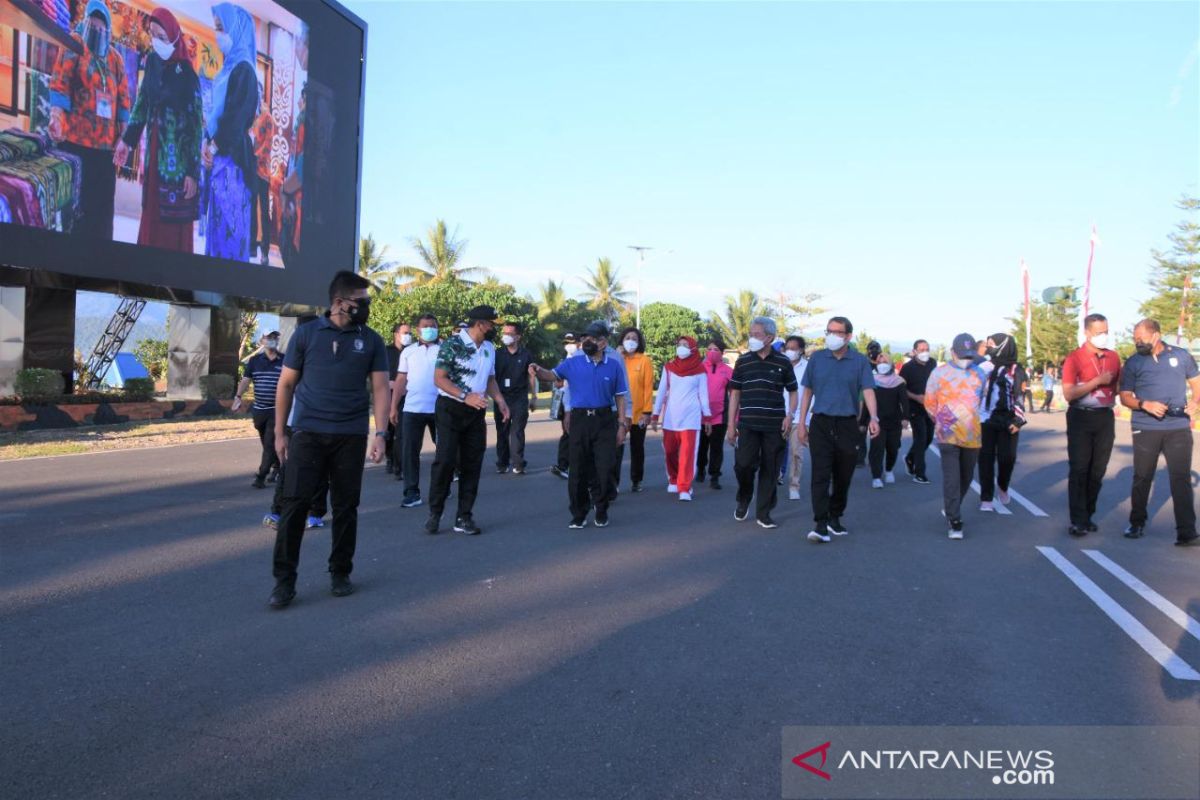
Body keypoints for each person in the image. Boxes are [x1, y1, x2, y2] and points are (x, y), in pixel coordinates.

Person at [268, 271, 390, 608]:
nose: (366, 307)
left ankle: (340, 572)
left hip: (350, 435)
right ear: (340, 303)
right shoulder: (306, 335)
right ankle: (284, 582)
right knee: (294, 505)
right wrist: (280, 433)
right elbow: (287, 385)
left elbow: (381, 388)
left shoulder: (373, 340)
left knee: (346, 507)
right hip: (307, 433)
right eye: (361, 302)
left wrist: (380, 433)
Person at [112, 7, 202, 252]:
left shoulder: (187, 75)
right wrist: (127, 141)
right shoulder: (152, 62)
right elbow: (142, 105)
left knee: (172, 228)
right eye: (152, 35)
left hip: (177, 166)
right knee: (151, 213)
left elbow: (196, 127)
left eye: (162, 37)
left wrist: (193, 172)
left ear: (174, 36)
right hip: (152, 158)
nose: (156, 42)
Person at [531, 322, 629, 528]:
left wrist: (622, 424)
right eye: (585, 338)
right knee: (578, 469)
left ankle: (601, 509)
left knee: (604, 467)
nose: (587, 342)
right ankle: (578, 513)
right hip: (580, 420)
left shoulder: (613, 365)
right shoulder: (573, 363)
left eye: (593, 339)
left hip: (604, 420)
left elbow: (620, 397)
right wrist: (538, 370)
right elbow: (552, 375)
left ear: (603, 342)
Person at [48, 0, 130, 240]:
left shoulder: (116, 59)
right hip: (75, 147)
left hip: (104, 152)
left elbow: (124, 101)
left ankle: (98, 266)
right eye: (92, 25)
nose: (97, 30)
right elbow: (60, 84)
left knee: (101, 215)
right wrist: (56, 117)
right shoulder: (74, 44)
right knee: (75, 213)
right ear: (86, 23)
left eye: (101, 27)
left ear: (108, 28)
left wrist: (124, 137)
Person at [424, 306, 510, 536]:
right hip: (451, 409)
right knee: (445, 460)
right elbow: (439, 379)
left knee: (472, 464)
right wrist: (465, 396)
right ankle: (435, 511)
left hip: (476, 412)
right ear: (481, 324)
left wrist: (500, 400)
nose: (495, 328)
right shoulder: (452, 345)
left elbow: (490, 378)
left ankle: (464, 516)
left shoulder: (490, 348)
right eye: (492, 324)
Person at [1118, 318, 1199, 546]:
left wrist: (1196, 401)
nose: (1137, 343)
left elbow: (1196, 382)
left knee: (1180, 479)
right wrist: (1145, 404)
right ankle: (1136, 523)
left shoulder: (1181, 356)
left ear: (1156, 335)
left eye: (1140, 338)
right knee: (1143, 476)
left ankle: (1187, 532)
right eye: (1135, 339)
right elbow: (1125, 396)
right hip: (1146, 427)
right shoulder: (1133, 363)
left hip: (1178, 427)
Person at [796, 317, 878, 543]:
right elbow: (807, 391)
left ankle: (835, 515)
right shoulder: (817, 359)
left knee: (843, 475)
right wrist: (802, 423)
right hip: (821, 422)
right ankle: (820, 524)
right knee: (820, 473)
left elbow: (869, 390)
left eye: (837, 332)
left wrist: (875, 417)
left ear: (848, 336)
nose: (832, 335)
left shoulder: (859, 361)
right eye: (829, 331)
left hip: (848, 424)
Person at [726, 317, 798, 530]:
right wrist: (731, 424)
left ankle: (764, 513)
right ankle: (744, 497)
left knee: (770, 469)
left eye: (756, 334)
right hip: (747, 424)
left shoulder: (782, 362)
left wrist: (790, 414)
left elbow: (793, 391)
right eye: (751, 334)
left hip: (774, 426)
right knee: (743, 465)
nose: (752, 338)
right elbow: (735, 394)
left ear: (770, 337)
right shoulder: (743, 361)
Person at [202, 4, 257, 262]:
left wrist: (213, 146)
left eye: (221, 28)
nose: (218, 34)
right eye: (217, 28)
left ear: (236, 29)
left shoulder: (244, 70)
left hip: (233, 166)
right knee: (218, 234)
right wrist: (207, 143)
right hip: (220, 162)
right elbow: (217, 114)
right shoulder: (228, 69)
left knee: (231, 235)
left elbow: (235, 120)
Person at [1062, 313, 1121, 537]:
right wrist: (1096, 382)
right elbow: (1068, 393)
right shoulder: (1074, 358)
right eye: (1098, 333)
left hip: (1104, 417)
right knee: (1080, 468)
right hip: (1080, 416)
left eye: (1106, 331)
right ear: (1087, 333)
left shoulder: (1114, 358)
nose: (1103, 336)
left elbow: (1117, 387)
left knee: (1098, 470)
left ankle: (1088, 515)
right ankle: (1077, 520)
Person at [924, 333, 986, 540]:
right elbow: (930, 401)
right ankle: (955, 520)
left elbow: (980, 398)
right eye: (962, 355)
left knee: (966, 476)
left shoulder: (980, 374)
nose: (966, 360)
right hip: (948, 431)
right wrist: (944, 421)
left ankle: (952, 506)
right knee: (952, 478)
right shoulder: (939, 373)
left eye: (969, 356)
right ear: (952, 352)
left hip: (972, 432)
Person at [651, 336, 711, 501]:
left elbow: (704, 396)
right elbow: (662, 391)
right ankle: (673, 478)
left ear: (693, 348)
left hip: (691, 419)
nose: (681, 347)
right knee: (669, 450)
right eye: (679, 345)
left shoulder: (700, 370)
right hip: (670, 418)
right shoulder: (669, 367)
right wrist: (655, 415)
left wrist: (707, 418)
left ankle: (685, 487)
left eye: (686, 345)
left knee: (687, 454)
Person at [390, 314, 440, 508]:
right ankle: (412, 492)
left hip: (440, 409)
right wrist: (394, 407)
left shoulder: (445, 350)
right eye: (425, 326)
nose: (429, 329)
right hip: (412, 409)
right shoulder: (408, 352)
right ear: (418, 330)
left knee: (444, 451)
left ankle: (441, 488)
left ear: (437, 328)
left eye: (432, 326)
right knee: (410, 452)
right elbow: (401, 380)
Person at [977, 333, 1027, 512]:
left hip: (1008, 420)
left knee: (1007, 458)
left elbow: (1020, 395)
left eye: (992, 344)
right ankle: (986, 497)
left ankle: (1003, 486)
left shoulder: (1016, 370)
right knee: (985, 459)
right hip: (985, 418)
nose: (989, 347)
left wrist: (1018, 420)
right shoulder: (984, 367)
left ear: (1003, 346)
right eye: (987, 344)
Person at [233, 331, 283, 488]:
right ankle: (278, 467)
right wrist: (238, 397)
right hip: (259, 409)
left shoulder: (285, 360)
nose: (272, 341)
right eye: (268, 338)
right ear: (262, 340)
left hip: (277, 409)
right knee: (266, 441)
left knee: (269, 442)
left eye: (274, 338)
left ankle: (261, 475)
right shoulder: (254, 361)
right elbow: (246, 380)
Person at [862, 348, 908, 490]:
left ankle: (889, 470)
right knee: (877, 449)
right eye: (879, 361)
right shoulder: (872, 380)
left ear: (891, 364)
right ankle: (876, 476)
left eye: (885, 361)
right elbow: (866, 402)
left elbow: (904, 401)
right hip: (877, 420)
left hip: (894, 421)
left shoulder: (899, 381)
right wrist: (863, 421)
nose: (882, 363)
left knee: (893, 448)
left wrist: (905, 417)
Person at [616, 327, 655, 492]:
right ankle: (613, 482)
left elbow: (648, 388)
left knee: (637, 448)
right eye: (627, 337)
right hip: (621, 413)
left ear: (639, 342)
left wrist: (647, 412)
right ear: (622, 340)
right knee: (617, 448)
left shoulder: (644, 360)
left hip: (639, 414)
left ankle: (636, 480)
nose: (630, 341)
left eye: (634, 338)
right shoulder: (617, 359)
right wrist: (618, 356)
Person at [494, 321, 536, 475]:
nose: (506, 336)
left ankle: (518, 463)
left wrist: (534, 397)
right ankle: (502, 463)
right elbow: (491, 378)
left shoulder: (526, 354)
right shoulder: (497, 354)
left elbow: (531, 376)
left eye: (509, 334)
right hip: (502, 397)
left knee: (517, 431)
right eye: (504, 333)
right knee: (502, 431)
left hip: (519, 397)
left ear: (517, 336)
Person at [697, 338, 734, 490]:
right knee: (701, 445)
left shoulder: (728, 371)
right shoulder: (698, 368)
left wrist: (735, 417)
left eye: (716, 349)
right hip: (699, 415)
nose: (712, 352)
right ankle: (700, 469)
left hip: (720, 415)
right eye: (709, 349)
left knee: (716, 447)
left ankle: (714, 476)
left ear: (722, 352)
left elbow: (735, 394)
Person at [900, 339, 936, 485]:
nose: (925, 352)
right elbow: (901, 389)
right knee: (921, 439)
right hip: (914, 408)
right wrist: (916, 397)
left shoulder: (933, 363)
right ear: (914, 351)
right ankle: (919, 473)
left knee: (928, 438)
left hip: (931, 408)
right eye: (921, 349)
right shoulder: (907, 368)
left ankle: (910, 458)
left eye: (927, 349)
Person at [249, 82, 275, 265]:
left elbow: (268, 144)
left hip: (263, 172)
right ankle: (251, 246)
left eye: (258, 90)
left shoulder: (268, 118)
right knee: (250, 208)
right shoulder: (254, 117)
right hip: (251, 168)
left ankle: (265, 251)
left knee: (264, 212)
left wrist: (255, 156)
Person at [549, 333, 580, 480]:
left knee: (573, 436)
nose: (569, 345)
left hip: (579, 404)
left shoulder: (582, 360)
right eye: (566, 342)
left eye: (572, 342)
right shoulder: (564, 360)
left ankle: (568, 466)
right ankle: (563, 466)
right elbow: (557, 380)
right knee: (567, 434)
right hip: (565, 402)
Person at [384, 322, 413, 477]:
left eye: (410, 333)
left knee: (401, 432)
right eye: (405, 333)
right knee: (389, 429)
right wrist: (387, 382)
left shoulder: (412, 351)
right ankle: (390, 457)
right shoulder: (386, 351)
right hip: (388, 395)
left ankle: (398, 465)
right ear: (396, 334)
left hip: (406, 396)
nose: (408, 336)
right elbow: (378, 372)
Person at [782, 336, 808, 501]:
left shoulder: (808, 368)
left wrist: (806, 420)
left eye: (794, 348)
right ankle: (773, 478)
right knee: (773, 451)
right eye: (788, 348)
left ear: (801, 350)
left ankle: (794, 485)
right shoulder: (779, 365)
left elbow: (810, 394)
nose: (790, 351)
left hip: (799, 417)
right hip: (778, 415)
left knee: (796, 453)